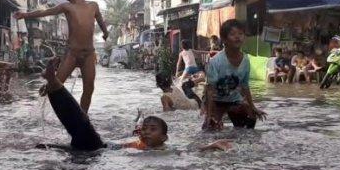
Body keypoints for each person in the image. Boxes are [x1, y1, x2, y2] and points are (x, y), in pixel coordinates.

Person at [42, 58, 231, 151]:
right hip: (100, 150)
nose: (147, 131)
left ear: (164, 138)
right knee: (81, 126)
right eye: (145, 128)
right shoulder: (138, 144)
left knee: (74, 131)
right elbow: (114, 147)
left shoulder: (164, 150)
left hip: (95, 153)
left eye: (152, 129)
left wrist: (212, 145)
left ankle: (54, 85)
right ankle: (54, 85)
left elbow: (189, 150)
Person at [14, 0, 109, 113]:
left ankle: (83, 116)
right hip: (72, 54)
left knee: (89, 89)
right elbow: (45, 12)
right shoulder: (67, 6)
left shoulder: (94, 5)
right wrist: (25, 15)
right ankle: (46, 90)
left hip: (88, 54)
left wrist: (105, 32)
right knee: (56, 85)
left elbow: (100, 20)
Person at [204, 20, 267, 130]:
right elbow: (209, 90)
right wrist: (209, 115)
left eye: (241, 34)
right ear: (224, 39)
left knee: (251, 116)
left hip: (234, 100)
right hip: (216, 101)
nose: (237, 37)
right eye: (232, 34)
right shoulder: (216, 61)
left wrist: (253, 107)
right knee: (211, 128)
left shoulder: (246, 60)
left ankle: (241, 143)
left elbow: (245, 86)